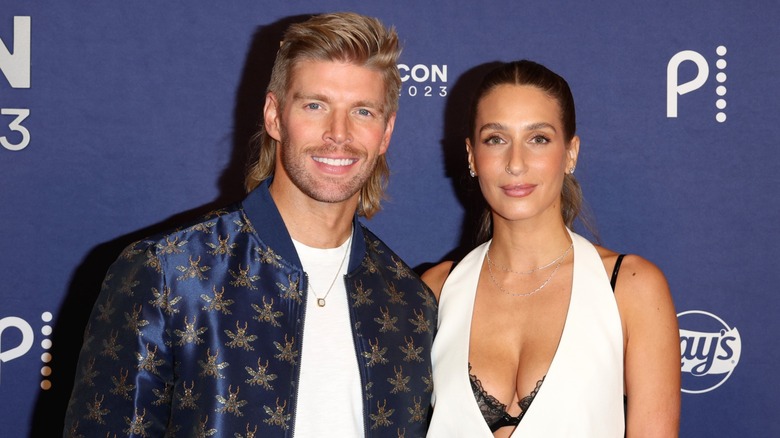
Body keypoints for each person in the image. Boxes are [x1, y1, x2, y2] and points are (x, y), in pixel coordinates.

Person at [64, 12, 436, 438]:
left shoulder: (408, 302)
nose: (339, 133)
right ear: (274, 115)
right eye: (315, 106)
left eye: (363, 111)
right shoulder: (167, 272)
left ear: (385, 132)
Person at [423, 60, 680, 437]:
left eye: (538, 139)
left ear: (571, 153)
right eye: (496, 139)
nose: (516, 163)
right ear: (471, 156)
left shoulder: (631, 288)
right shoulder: (434, 290)